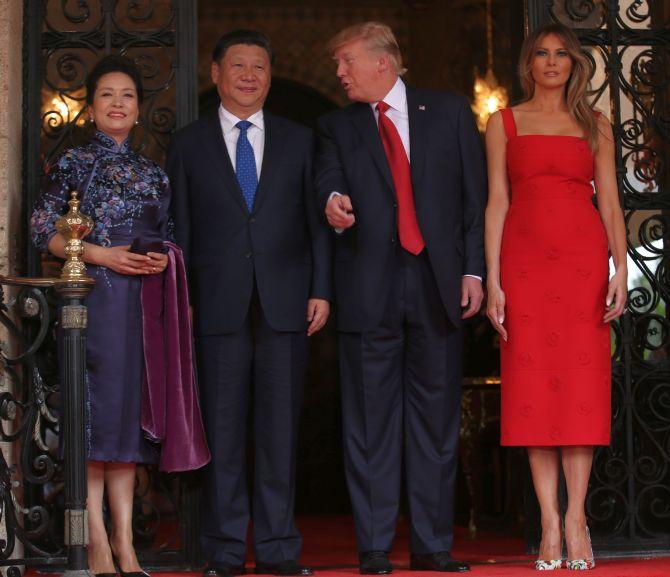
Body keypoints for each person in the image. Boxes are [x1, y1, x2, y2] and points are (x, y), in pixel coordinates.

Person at [315, 22, 486, 574]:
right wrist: (334, 200)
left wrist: (475, 273)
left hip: (437, 285)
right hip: (369, 287)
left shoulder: (452, 111)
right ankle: (373, 546)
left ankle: (434, 546)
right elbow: (328, 181)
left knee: (436, 424)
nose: (338, 74)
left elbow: (473, 202)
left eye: (345, 62)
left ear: (382, 63)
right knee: (369, 424)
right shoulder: (335, 125)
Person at [30, 55, 209, 577]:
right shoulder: (71, 164)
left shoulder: (154, 172)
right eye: (107, 94)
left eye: (127, 95)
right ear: (91, 106)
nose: (117, 104)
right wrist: (102, 254)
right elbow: (45, 230)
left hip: (142, 306)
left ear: (138, 108)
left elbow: (171, 234)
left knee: (128, 425)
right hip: (92, 302)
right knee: (95, 420)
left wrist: (162, 257)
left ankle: (126, 545)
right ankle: (96, 545)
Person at [166, 30, 332, 577]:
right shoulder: (188, 144)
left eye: (259, 66)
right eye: (237, 65)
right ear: (214, 74)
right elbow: (181, 228)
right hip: (215, 305)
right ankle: (225, 551)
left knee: (280, 434)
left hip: (286, 302)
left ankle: (281, 549)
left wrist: (322, 289)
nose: (248, 75)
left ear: (269, 75)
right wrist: (182, 297)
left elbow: (317, 227)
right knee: (224, 431)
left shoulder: (298, 139)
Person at [485, 22, 627, 571]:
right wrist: (493, 277)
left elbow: (611, 203)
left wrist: (619, 268)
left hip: (582, 267)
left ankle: (577, 518)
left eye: (561, 54)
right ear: (528, 63)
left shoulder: (597, 125)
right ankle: (548, 521)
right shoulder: (503, 122)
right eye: (541, 54)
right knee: (533, 394)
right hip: (523, 268)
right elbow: (497, 202)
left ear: (574, 64)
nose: (551, 62)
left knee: (579, 392)